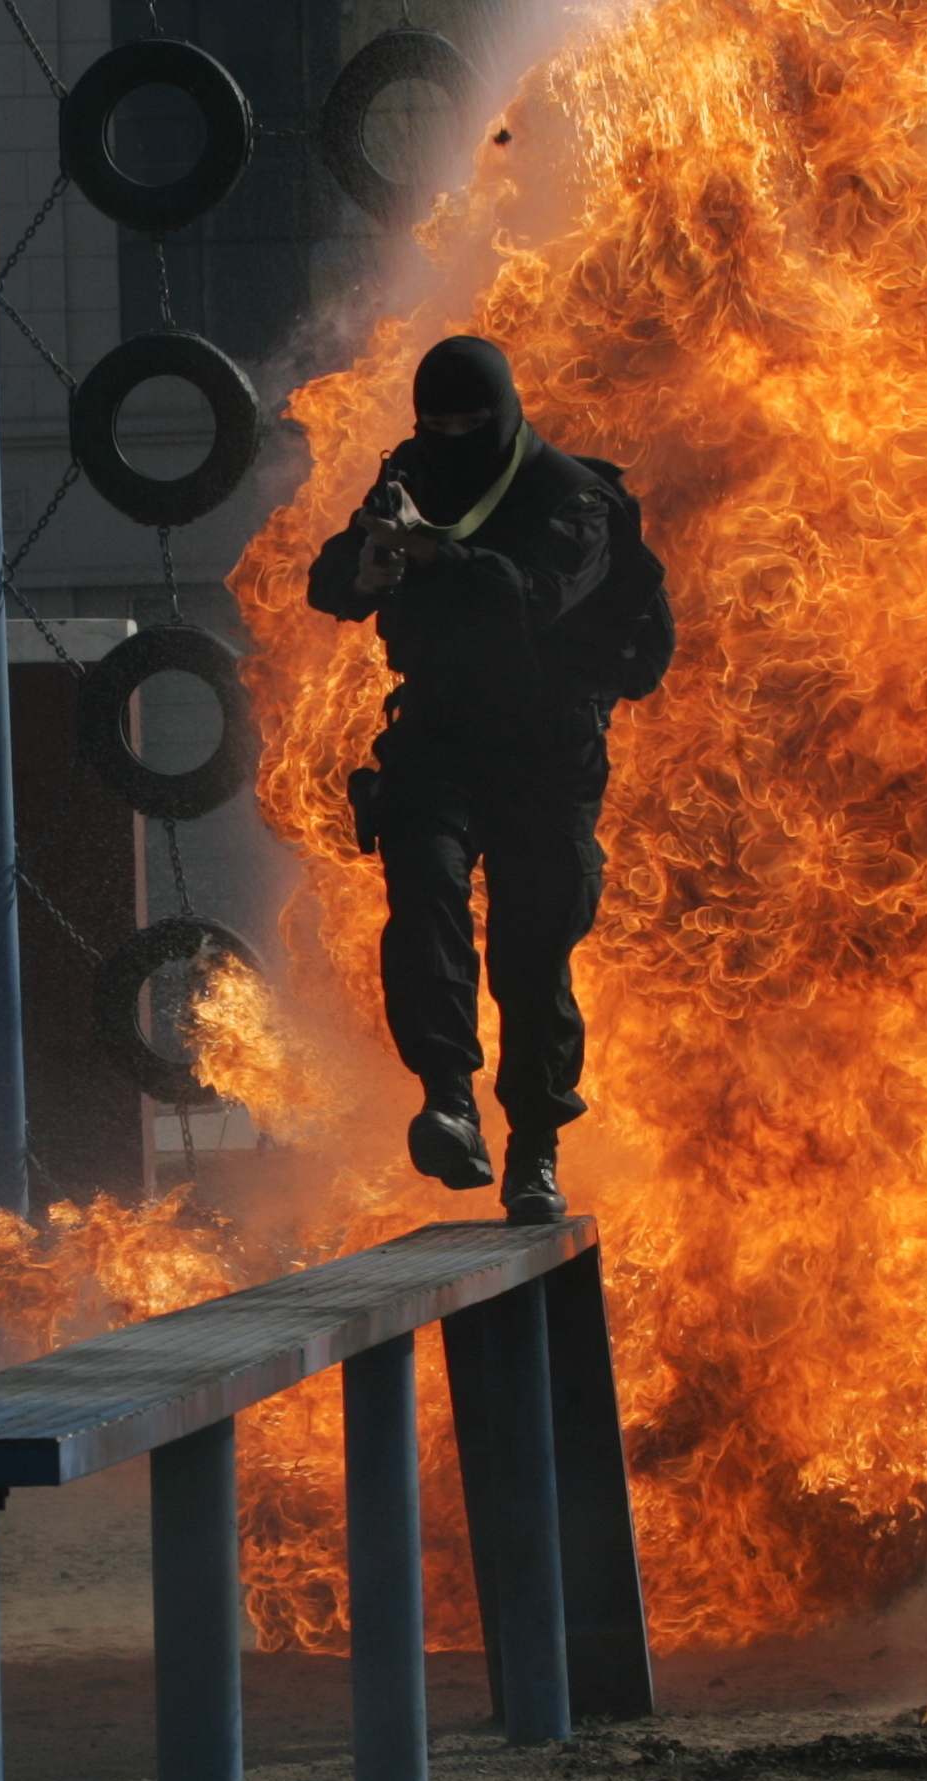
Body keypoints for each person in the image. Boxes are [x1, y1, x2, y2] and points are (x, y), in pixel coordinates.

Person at [306, 335, 620, 1225]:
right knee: (426, 894)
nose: (448, 439)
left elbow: (536, 596)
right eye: (434, 425)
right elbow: (331, 579)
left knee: (530, 955)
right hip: (439, 731)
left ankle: (534, 1150)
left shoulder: (570, 495)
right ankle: (448, 1098)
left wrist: (438, 555)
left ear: (502, 416)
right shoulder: (409, 479)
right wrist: (364, 568)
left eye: (467, 425)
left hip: (543, 747)